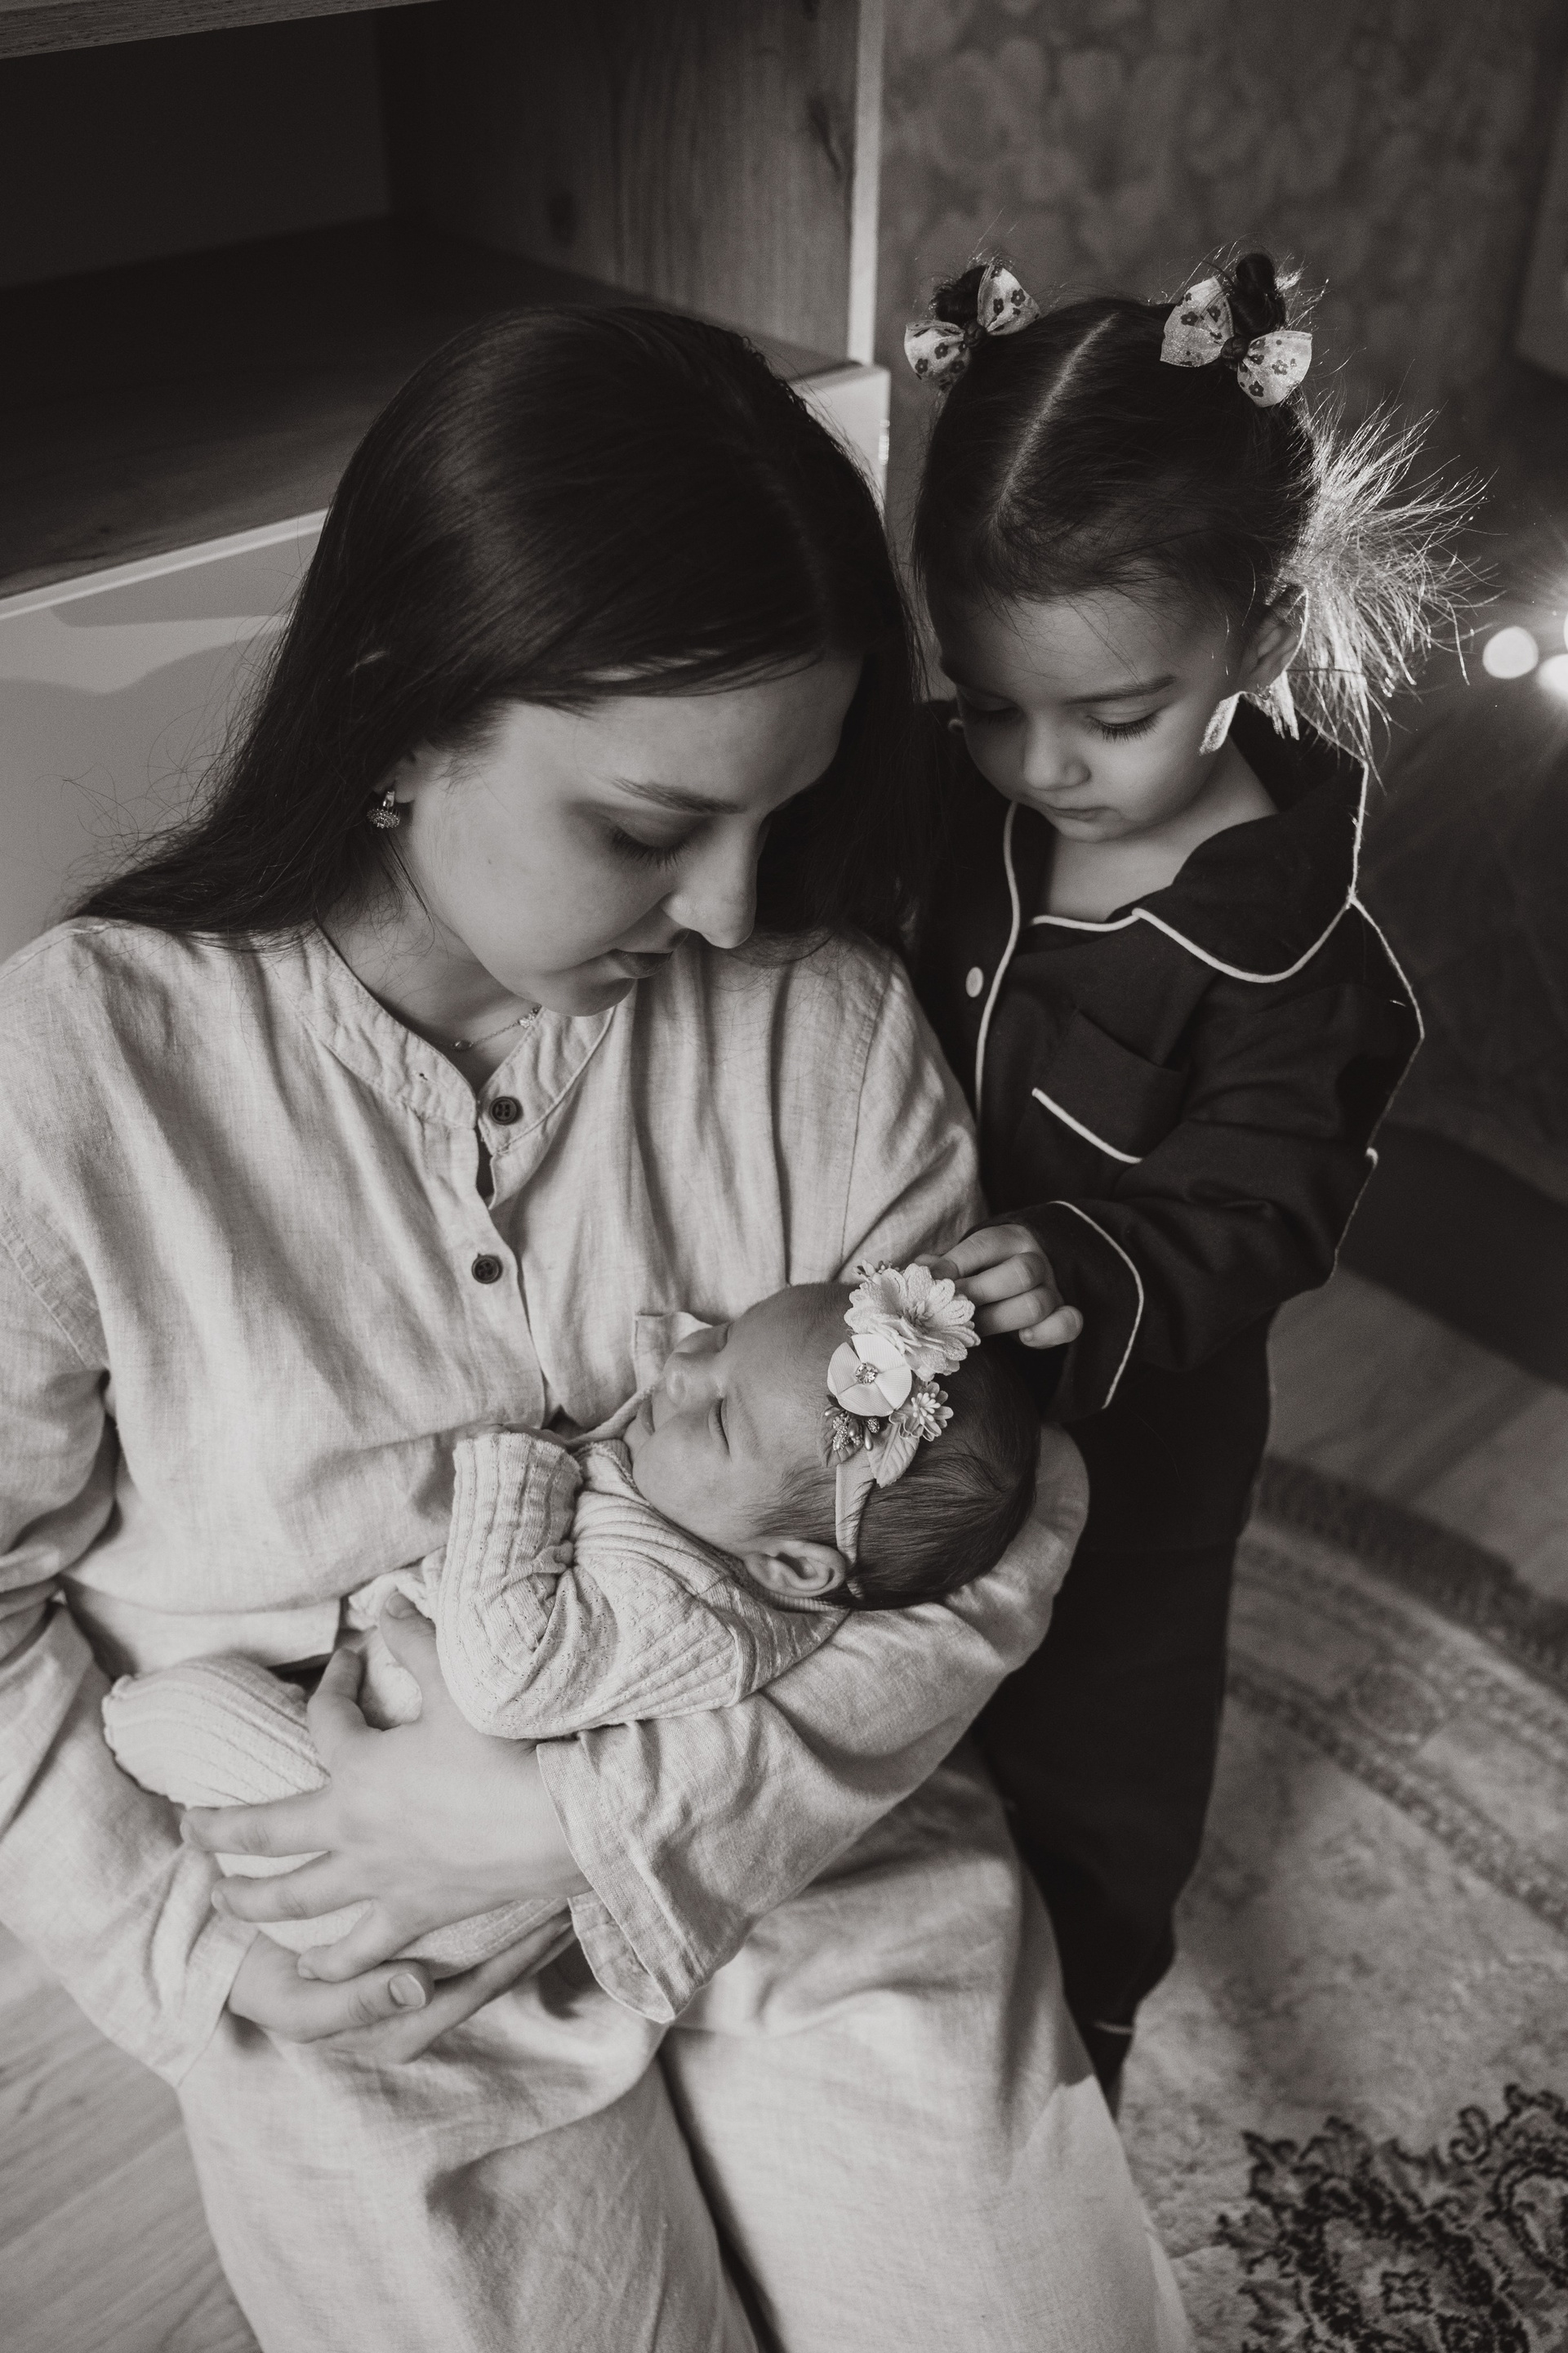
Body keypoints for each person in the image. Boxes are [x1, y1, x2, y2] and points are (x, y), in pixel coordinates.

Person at [0, 305, 1190, 2351]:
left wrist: (594, 1821)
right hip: (361, 1926)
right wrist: (190, 1952)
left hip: (798, 1837)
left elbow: (989, 1532)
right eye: (645, 830)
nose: (727, 909)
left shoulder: (820, 1029)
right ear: (399, 711)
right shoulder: (79, 1073)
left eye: (777, 815)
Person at [905, 252, 1454, 2097]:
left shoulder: (1302, 968)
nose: (1042, 765)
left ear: (1262, 638)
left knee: (1096, 1750)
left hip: (1136, 1458)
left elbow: (1262, 1203)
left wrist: (1092, 1262)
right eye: (990, 704)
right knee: (905, 1720)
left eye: (1113, 717)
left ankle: (1084, 2037)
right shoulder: (957, 808)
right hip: (904, 1409)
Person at [101, 1268, 1042, 1972]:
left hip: (392, 1872)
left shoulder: (691, 1609)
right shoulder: (714, 1514)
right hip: (411, 1786)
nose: (683, 1369)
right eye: (721, 1338)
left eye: (719, 1416)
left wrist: (520, 1468)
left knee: (176, 1713)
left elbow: (502, 1680)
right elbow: (700, 1415)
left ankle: (129, 1739)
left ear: (794, 1568)